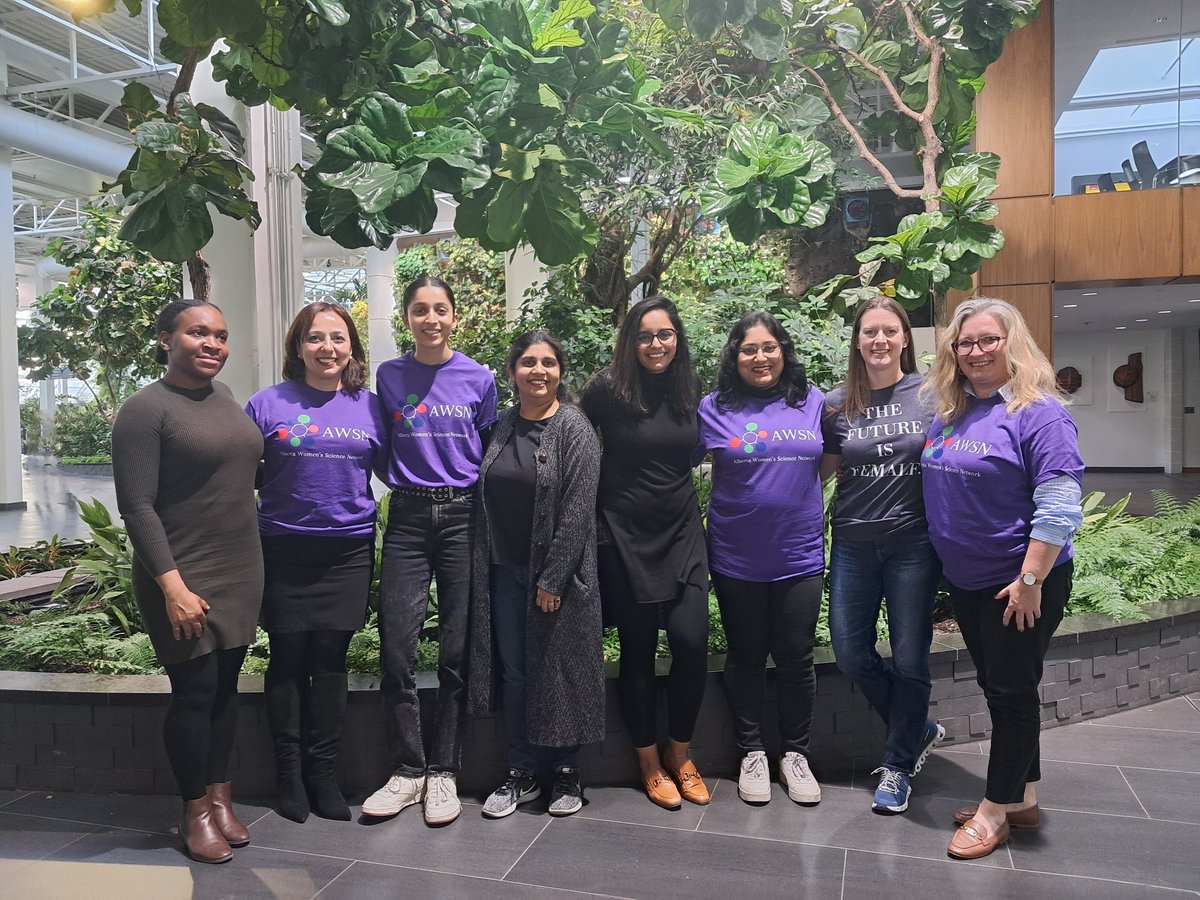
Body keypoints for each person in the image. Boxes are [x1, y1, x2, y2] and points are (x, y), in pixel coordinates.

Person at [920, 297, 1083, 860]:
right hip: (969, 581)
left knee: (1011, 693)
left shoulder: (1039, 413)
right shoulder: (955, 408)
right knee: (1001, 689)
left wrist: (1031, 578)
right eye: (965, 343)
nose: (975, 351)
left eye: (988, 340)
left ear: (1013, 344)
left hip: (1019, 584)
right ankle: (1024, 798)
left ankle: (995, 813)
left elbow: (1060, 501)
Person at [112, 298, 264, 864]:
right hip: (181, 572)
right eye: (198, 333)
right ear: (165, 339)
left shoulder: (224, 398)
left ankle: (221, 797)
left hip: (239, 567)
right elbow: (137, 507)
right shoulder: (144, 410)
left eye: (220, 336)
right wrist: (172, 586)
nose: (212, 345)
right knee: (195, 692)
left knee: (226, 688)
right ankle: (194, 809)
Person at [363, 276, 498, 826]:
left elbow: (487, 450)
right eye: (420, 310)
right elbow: (381, 446)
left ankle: (444, 771)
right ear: (408, 318)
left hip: (464, 515)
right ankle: (407, 770)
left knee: (456, 653)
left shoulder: (480, 377)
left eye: (440, 309)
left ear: (454, 317)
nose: (431, 319)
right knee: (397, 646)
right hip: (410, 518)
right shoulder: (390, 376)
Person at [244, 302, 386, 823]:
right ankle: (288, 776)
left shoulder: (370, 408)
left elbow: (397, 468)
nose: (327, 348)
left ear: (352, 347)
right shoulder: (266, 404)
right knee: (286, 656)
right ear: (297, 347)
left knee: (329, 660)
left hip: (347, 550)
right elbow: (238, 475)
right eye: (315, 338)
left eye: (338, 338)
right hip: (282, 546)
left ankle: (322, 773)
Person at [468, 330, 605, 819]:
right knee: (516, 674)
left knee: (561, 669)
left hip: (559, 580)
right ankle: (522, 772)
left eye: (548, 362)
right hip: (504, 571)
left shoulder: (575, 428)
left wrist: (552, 579)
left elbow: (576, 512)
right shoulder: (502, 426)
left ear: (560, 372)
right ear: (512, 373)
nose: (538, 371)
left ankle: (567, 774)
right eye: (528, 362)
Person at [581, 295, 709, 810]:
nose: (656, 344)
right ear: (630, 342)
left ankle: (680, 753)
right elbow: (567, 434)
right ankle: (649, 762)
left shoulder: (691, 390)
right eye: (645, 336)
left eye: (665, 334)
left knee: (691, 643)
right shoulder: (606, 391)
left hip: (682, 533)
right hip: (624, 535)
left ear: (677, 339)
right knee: (636, 652)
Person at [820, 298, 944, 815]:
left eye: (889, 331)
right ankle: (916, 725)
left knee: (911, 657)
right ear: (857, 340)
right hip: (852, 541)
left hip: (913, 543)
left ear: (904, 339)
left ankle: (896, 766)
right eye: (869, 331)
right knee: (849, 651)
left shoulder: (934, 395)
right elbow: (821, 470)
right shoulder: (835, 403)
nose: (879, 340)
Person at [697, 312, 826, 807]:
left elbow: (828, 461)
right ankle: (751, 752)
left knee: (796, 659)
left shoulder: (810, 401)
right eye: (749, 349)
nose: (760, 357)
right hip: (736, 557)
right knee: (746, 656)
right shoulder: (713, 408)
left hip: (799, 554)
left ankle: (795, 755)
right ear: (735, 356)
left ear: (783, 351)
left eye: (769, 347)